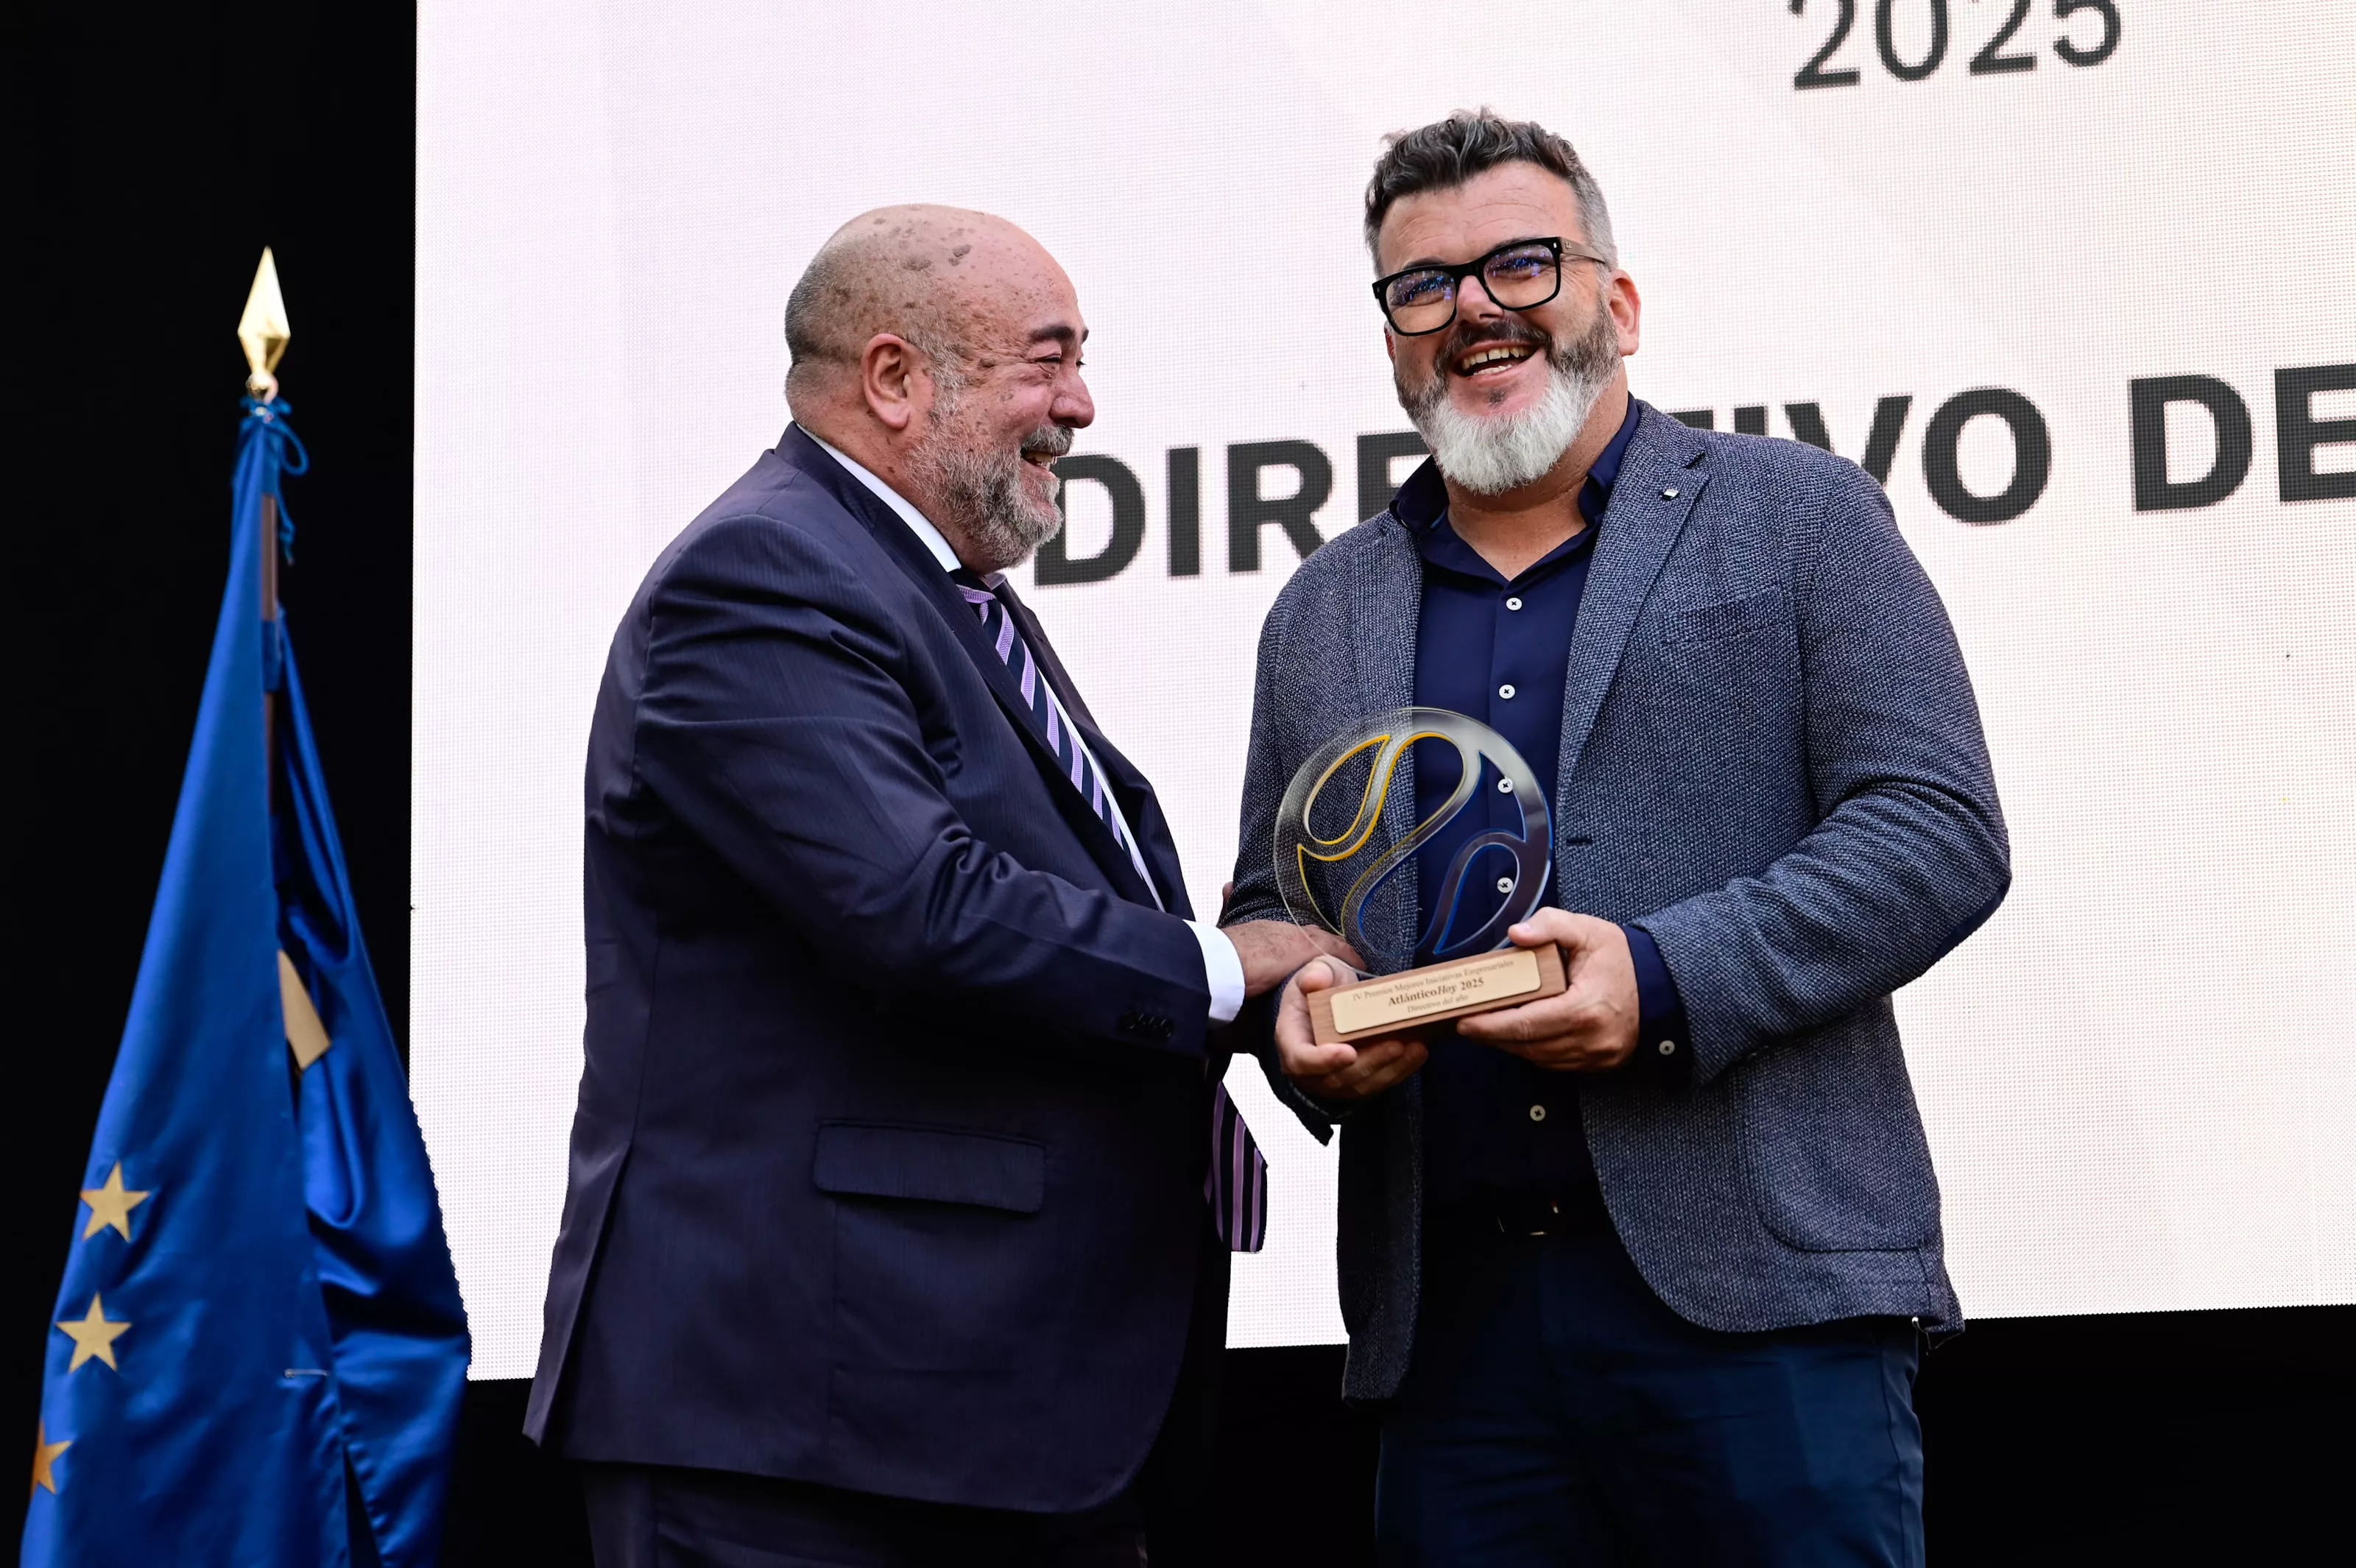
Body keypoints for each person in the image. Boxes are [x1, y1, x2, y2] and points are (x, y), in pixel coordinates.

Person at [1224, 112, 2011, 1566]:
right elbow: (1281, 903)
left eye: (1522, 262)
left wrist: (1663, 978)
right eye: (1425, 285)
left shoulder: (1797, 519)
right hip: (1454, 1340)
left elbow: (1935, 832)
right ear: (1393, 337)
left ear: (1618, 300)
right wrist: (1296, 1021)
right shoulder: (1319, 612)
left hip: (1762, 1314)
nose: (1474, 309)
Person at [527, 204, 1348, 1567]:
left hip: (979, 1418)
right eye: (1048, 358)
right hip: (811, 1437)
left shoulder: (936, 594)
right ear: (897, 379)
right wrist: (1233, 969)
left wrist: (1292, 1016)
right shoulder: (763, 575)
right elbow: (923, 909)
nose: (1081, 404)